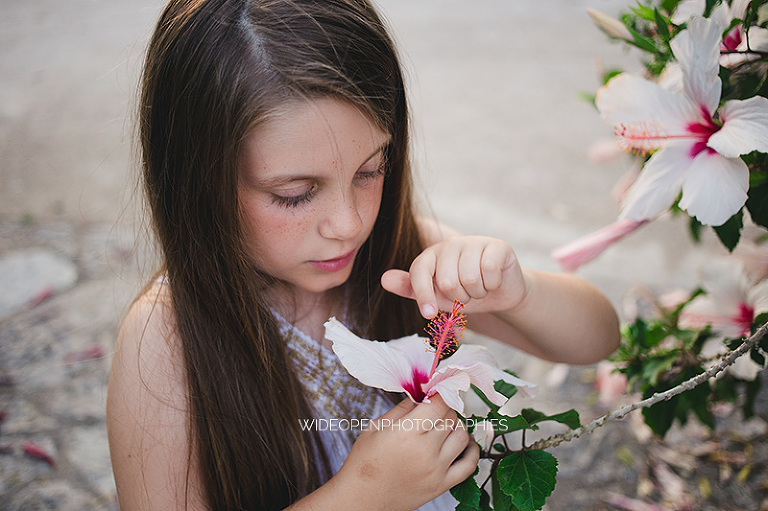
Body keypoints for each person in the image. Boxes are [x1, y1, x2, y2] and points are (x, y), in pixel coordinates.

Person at [106, 0, 621, 509]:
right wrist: (366, 494)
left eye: (371, 169)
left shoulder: (400, 257)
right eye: (295, 193)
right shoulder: (163, 343)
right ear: (197, 181)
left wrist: (520, 295)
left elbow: (598, 337)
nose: (350, 224)